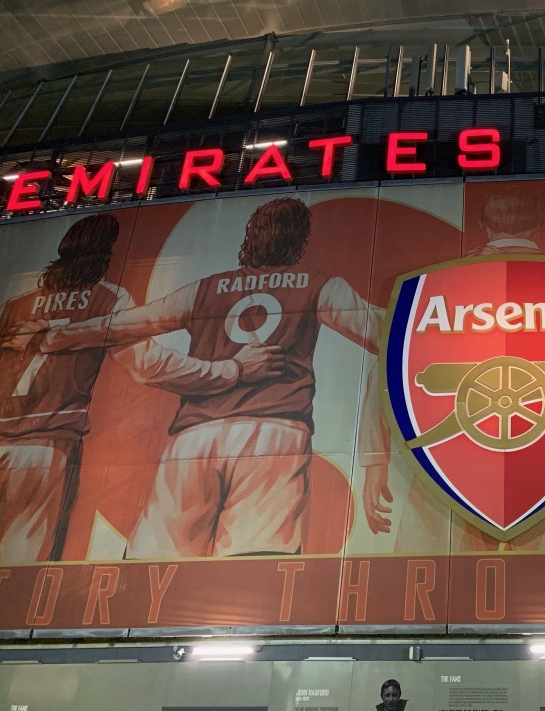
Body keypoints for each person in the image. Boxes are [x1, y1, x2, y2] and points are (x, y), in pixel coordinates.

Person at [5, 198, 381, 558]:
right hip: (274, 430)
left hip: (194, 436)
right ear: (299, 241)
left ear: (250, 238)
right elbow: (381, 330)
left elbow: (126, 325)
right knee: (253, 562)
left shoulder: (205, 288)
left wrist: (53, 335)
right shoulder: (319, 284)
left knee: (157, 559)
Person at [360, 186, 545, 550]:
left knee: (438, 591)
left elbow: (387, 371)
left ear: (484, 225)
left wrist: (375, 462)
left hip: (449, 468)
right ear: (538, 226)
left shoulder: (438, 288)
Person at [0, 213, 280, 563]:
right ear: (107, 253)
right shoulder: (106, 299)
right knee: (18, 570)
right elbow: (150, 365)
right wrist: (232, 369)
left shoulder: (16, 305)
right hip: (44, 444)